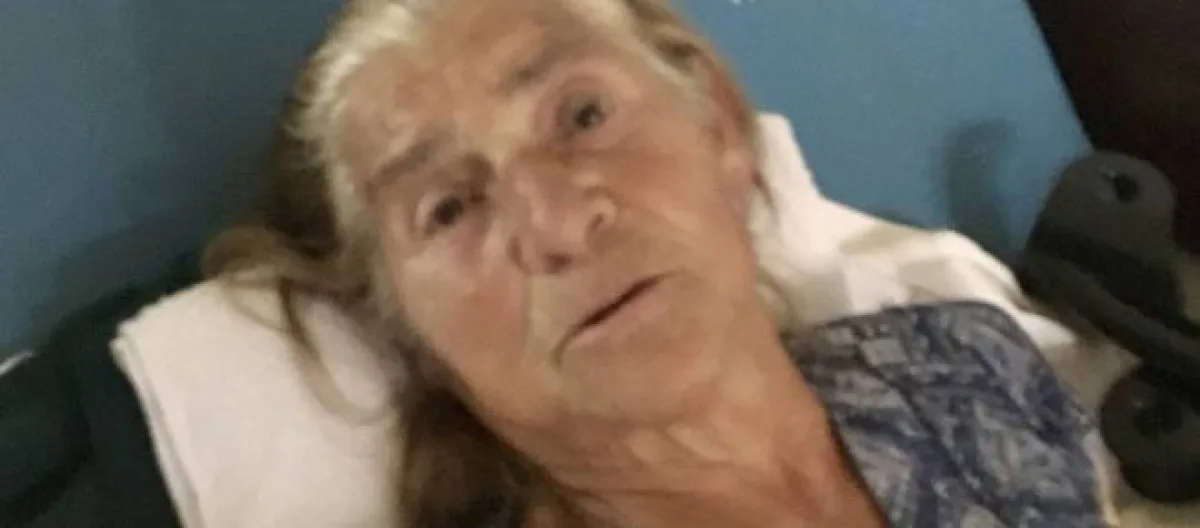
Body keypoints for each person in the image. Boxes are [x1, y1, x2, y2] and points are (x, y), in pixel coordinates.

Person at [202, 0, 1110, 526]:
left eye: (583, 115)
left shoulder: (962, 365)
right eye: (448, 208)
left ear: (717, 121)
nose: (558, 222)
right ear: (406, 329)